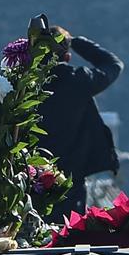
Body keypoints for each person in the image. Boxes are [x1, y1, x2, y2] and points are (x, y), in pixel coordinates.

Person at [38, 26, 123, 221]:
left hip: (29, 179)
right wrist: (75, 41)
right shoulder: (79, 80)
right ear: (67, 57)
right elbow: (113, 64)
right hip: (71, 178)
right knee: (68, 236)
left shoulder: (23, 85)